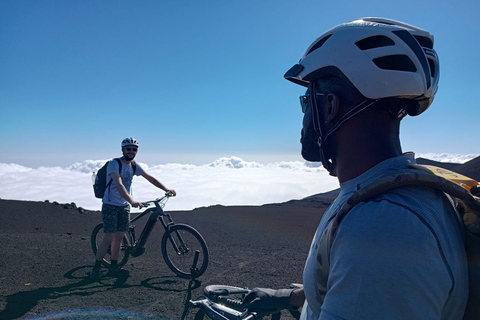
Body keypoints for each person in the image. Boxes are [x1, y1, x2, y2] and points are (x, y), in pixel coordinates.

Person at [243, 18, 469, 319]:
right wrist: (295, 297)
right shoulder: (390, 194)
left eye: (305, 101)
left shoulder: (381, 228)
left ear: (330, 106)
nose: (304, 115)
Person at [90, 137, 176, 280]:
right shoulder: (114, 164)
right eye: (128, 149)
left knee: (119, 237)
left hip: (124, 207)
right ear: (123, 150)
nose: (131, 151)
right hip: (110, 205)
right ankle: (96, 268)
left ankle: (113, 267)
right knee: (109, 237)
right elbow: (118, 183)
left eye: (134, 149)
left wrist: (166, 189)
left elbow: (151, 179)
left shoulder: (134, 165)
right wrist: (132, 200)